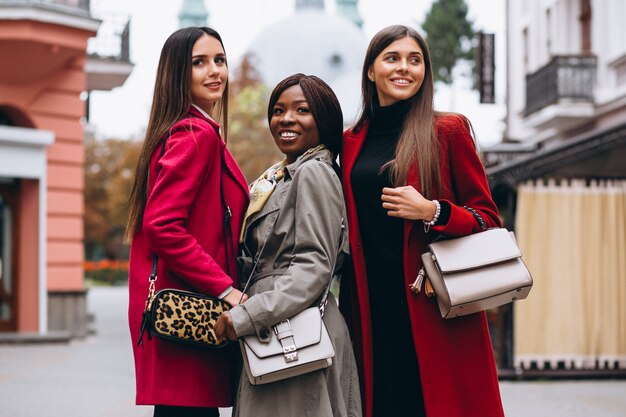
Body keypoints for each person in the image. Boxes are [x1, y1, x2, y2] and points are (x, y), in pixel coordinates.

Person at [339, 25, 505, 417]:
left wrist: (434, 211)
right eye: (392, 58)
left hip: (434, 306)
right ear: (370, 70)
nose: (405, 68)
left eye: (415, 60)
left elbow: (489, 221)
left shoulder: (447, 131)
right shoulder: (348, 142)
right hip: (369, 306)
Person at [215, 74, 362, 417]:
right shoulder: (281, 176)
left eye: (302, 110)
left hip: (294, 331)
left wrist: (248, 315)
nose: (286, 119)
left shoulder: (313, 172)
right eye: (278, 110)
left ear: (323, 119)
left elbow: (314, 266)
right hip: (278, 327)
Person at [125, 27, 249, 417]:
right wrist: (227, 289)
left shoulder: (184, 130)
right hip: (189, 311)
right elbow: (161, 225)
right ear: (177, 73)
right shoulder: (196, 134)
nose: (214, 71)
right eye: (199, 63)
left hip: (181, 308)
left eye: (219, 60)